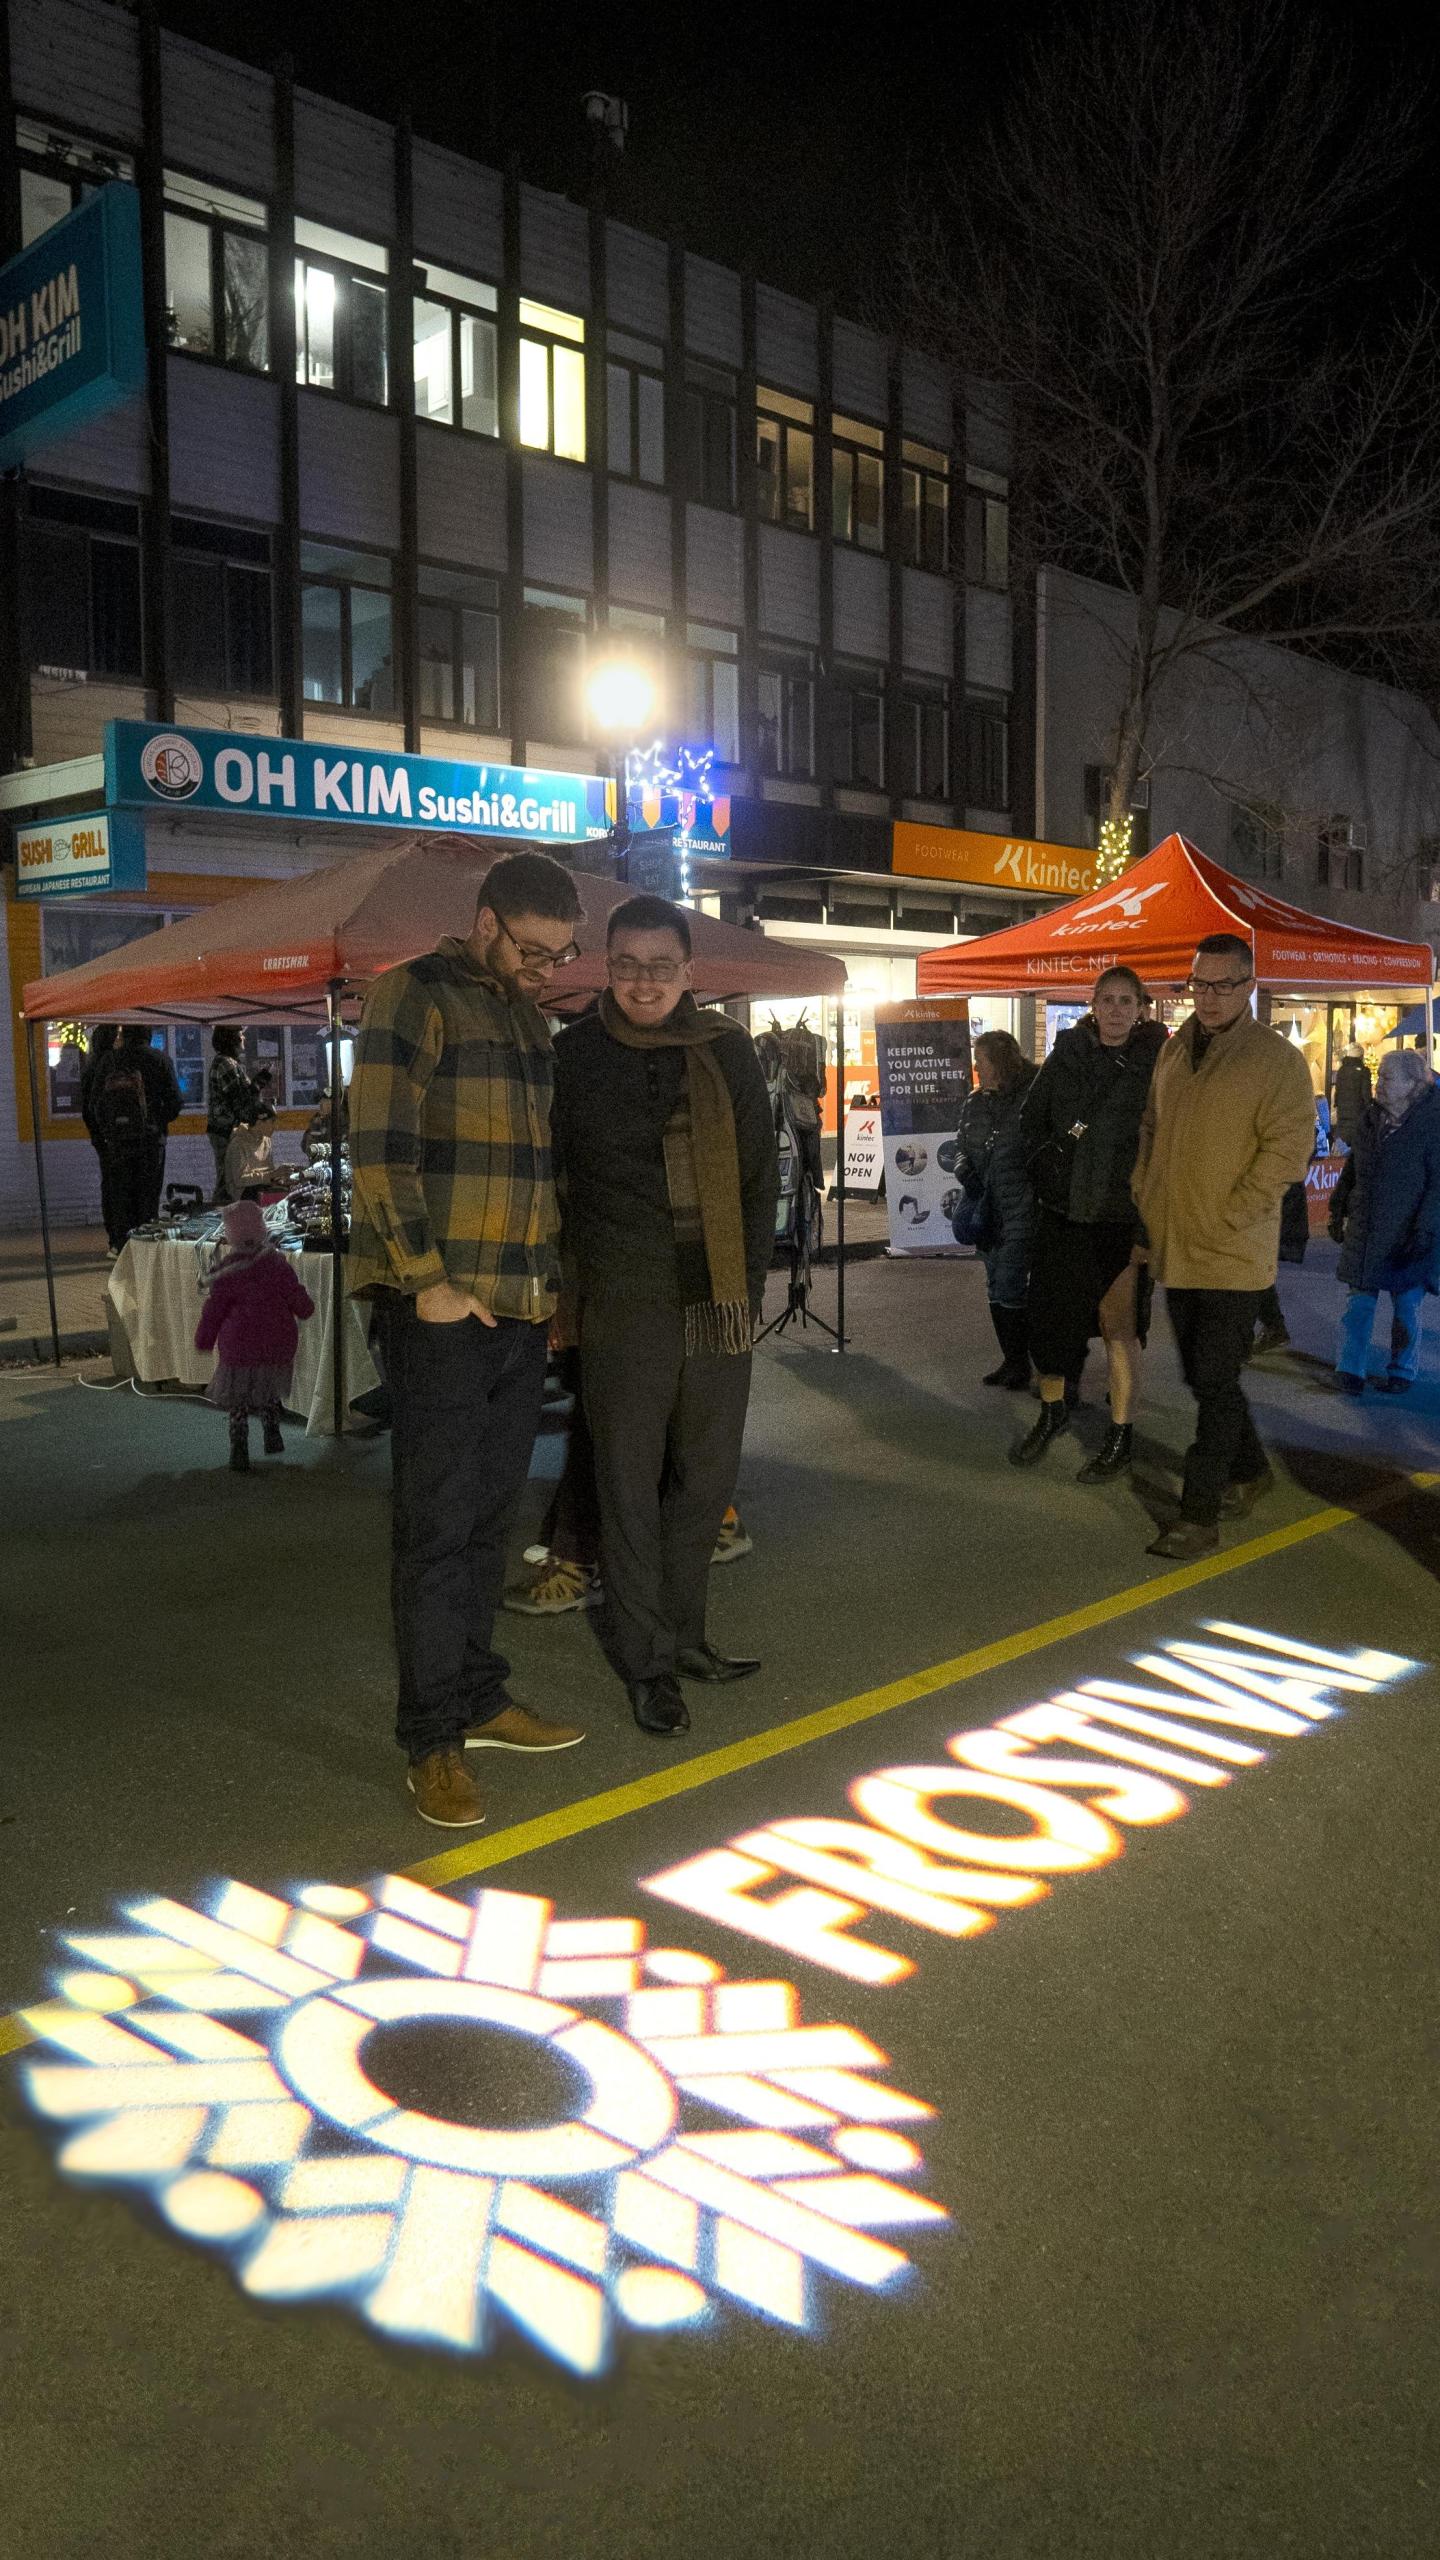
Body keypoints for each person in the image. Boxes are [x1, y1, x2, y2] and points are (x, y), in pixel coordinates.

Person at [347, 850, 588, 1829]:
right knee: (437, 1528)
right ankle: (432, 1736)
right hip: (442, 1311)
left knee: (491, 1519)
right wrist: (429, 1284)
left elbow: (536, 1175)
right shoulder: (413, 993)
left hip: (519, 1311)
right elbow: (378, 1152)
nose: (544, 973)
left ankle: (480, 1694)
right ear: (487, 922)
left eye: (560, 958)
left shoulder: (530, 1019)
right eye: (533, 952)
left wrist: (552, 1289)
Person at [551, 894, 778, 1737]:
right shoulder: (572, 1056)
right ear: (605, 966)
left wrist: (745, 1293)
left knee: (706, 1483)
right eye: (626, 964)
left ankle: (685, 1635)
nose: (642, 982)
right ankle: (647, 1664)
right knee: (628, 1488)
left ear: (689, 973)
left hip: (716, 1306)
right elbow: (555, 1184)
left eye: (659, 966)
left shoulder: (727, 1052)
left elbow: (759, 1182)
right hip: (622, 1307)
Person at [1132, 933, 1315, 1558]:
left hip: (1235, 1252)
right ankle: (1252, 1469)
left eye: (1222, 986)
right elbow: (1152, 1126)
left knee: (1212, 1382)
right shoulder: (1175, 1049)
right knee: (1204, 1375)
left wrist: (1235, 1211)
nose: (1207, 998)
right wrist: (1145, 1189)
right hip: (1177, 1243)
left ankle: (1199, 1514)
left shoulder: (1276, 1061)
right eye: (1199, 985)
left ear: (1249, 986)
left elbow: (1290, 1151)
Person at [1010, 967, 1166, 1479]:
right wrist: (1045, 1177)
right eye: (1108, 1000)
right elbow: (1030, 1121)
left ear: (1141, 1007)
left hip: (1121, 1217)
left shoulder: (1157, 1061)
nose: (1117, 1009)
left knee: (1117, 1326)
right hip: (1063, 1213)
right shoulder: (1067, 1054)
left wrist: (1148, 1221)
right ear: (1092, 1004)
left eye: (1127, 1001)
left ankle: (1121, 1434)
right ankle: (1053, 1412)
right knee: (1051, 1323)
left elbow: (1164, 1143)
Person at [1327, 1047, 1440, 1395]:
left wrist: (1424, 1231)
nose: (1378, 1084)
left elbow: (1438, 1184)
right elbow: (1353, 1166)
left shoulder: (1432, 1123)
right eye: (1380, 1077)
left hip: (1409, 1230)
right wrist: (1338, 1204)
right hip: (1367, 1224)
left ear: (1411, 1084)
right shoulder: (1371, 1118)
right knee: (1359, 1302)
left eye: (1388, 1078)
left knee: (1406, 1305)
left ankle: (1402, 1369)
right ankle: (1350, 1369)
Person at [194, 1200, 315, 1471]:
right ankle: (273, 1433)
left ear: (230, 1235)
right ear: (262, 1229)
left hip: (239, 1347)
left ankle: (239, 1447)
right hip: (276, 1343)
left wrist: (204, 1339)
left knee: (238, 1398)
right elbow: (296, 1296)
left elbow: (213, 1312)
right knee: (269, 1389)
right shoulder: (276, 1264)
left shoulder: (226, 1272)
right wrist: (306, 1309)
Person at [954, 1029, 1037, 1390]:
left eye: (981, 1060)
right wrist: (963, 1169)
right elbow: (960, 1144)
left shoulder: (1028, 1100)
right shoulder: (974, 1103)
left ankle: (1022, 1363)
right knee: (994, 1285)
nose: (976, 1067)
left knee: (1010, 1284)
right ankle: (1012, 1360)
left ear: (998, 1063)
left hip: (1020, 1206)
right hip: (984, 1208)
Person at [92, 1025, 182, 1248]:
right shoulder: (160, 1060)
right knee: (147, 1197)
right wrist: (156, 1121)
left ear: (124, 1035)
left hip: (118, 1143)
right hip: (150, 1142)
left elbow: (96, 1104)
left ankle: (123, 1247)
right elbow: (175, 1103)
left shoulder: (109, 1061)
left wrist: (109, 1131)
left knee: (120, 1196)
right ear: (148, 1035)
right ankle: (144, 1246)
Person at [78, 1024, 121, 1255]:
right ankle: (118, 1237)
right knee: (119, 1186)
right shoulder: (112, 1064)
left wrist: (96, 1134)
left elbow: (87, 1107)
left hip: (101, 1136)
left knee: (109, 1184)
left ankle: (113, 1238)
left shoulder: (91, 1065)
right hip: (114, 1134)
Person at [206, 1028, 261, 1204]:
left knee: (228, 1177)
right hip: (226, 1130)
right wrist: (256, 1087)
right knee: (228, 1181)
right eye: (240, 1033)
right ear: (232, 1039)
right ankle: (221, 1217)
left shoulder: (228, 1062)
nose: (243, 1036)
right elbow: (238, 1099)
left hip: (226, 1129)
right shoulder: (225, 1064)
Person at [1331, 1044, 1372, 1152]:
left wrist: (1338, 1104)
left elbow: (1337, 1090)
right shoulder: (1364, 1071)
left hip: (1343, 1113)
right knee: (1357, 1145)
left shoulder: (1342, 1070)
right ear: (1360, 1056)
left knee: (1344, 1142)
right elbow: (1366, 1094)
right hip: (1358, 1114)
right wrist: (1370, 1109)